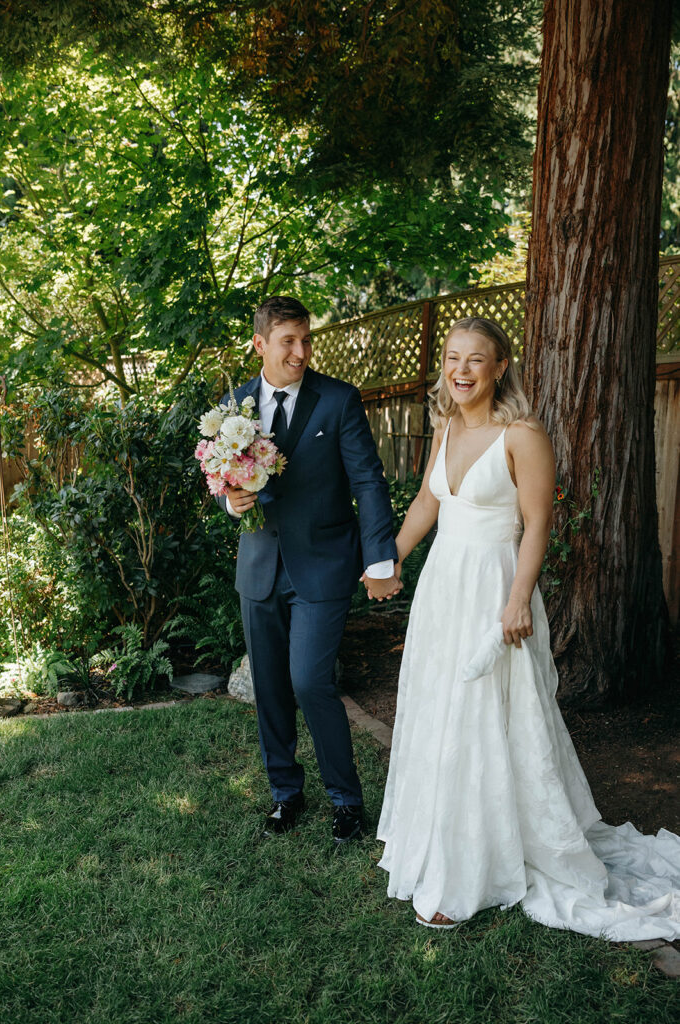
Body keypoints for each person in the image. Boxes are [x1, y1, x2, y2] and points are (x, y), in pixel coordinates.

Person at [375, 316, 680, 938]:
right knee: (442, 712)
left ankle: (472, 873)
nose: (461, 371)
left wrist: (518, 601)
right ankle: (438, 846)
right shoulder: (447, 424)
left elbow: (537, 524)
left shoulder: (522, 434)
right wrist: (392, 556)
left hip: (495, 590)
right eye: (453, 358)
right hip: (443, 591)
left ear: (500, 366)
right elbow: (429, 503)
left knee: (488, 717)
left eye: (476, 360)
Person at [221, 296, 401, 844]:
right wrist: (231, 501)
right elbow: (220, 474)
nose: (300, 352)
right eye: (288, 342)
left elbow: (367, 480)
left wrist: (379, 558)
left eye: (305, 340)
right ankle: (285, 795)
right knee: (271, 688)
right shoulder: (235, 405)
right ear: (260, 344)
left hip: (322, 566)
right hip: (258, 568)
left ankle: (345, 801)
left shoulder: (339, 400)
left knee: (310, 681)